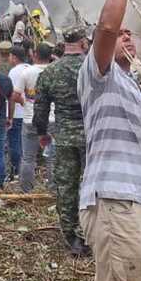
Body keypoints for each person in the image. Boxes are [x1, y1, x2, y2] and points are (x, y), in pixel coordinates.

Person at [78, 0, 141, 281]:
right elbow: (107, 26)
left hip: (138, 200)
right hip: (116, 199)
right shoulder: (100, 74)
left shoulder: (134, 85)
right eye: (120, 35)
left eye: (131, 34)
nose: (126, 35)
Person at [34, 25, 91, 257]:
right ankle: (90, 233)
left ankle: (71, 236)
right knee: (91, 187)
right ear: (84, 43)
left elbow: (40, 110)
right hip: (92, 136)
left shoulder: (49, 72)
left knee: (66, 187)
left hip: (64, 136)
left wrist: (42, 133)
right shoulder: (93, 69)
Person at [18, 42, 53, 193]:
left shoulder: (26, 73)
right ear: (50, 56)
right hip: (51, 119)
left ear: (35, 55)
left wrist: (26, 102)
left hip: (29, 119)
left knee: (28, 157)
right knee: (52, 157)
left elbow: (15, 94)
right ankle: (53, 189)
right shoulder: (54, 71)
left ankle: (26, 190)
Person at [6, 45, 30, 182]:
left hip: (17, 114)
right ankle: (27, 171)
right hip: (30, 113)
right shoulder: (30, 68)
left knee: (15, 143)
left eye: (10, 56)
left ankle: (17, 170)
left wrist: (10, 116)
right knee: (26, 144)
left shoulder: (14, 72)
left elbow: (13, 96)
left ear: (14, 57)